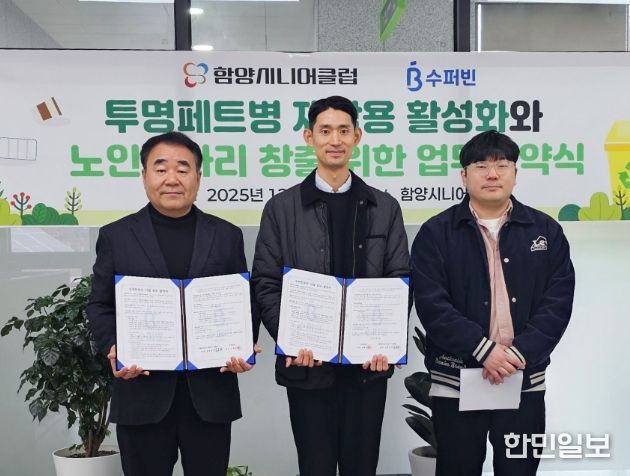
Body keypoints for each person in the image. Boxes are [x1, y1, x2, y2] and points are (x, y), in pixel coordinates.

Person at [251, 95, 409, 476]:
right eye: (325, 131)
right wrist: (290, 337)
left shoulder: (384, 208)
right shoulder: (281, 209)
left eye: (343, 130)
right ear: (310, 138)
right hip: (307, 367)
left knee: (362, 466)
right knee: (315, 466)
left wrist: (382, 342)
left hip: (366, 369)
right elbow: (266, 283)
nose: (334, 140)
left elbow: (399, 281)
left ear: (357, 137)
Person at [86, 131, 258, 476]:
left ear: (198, 177)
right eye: (161, 168)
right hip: (141, 393)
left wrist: (243, 345)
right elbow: (99, 305)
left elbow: (243, 302)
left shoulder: (226, 235)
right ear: (144, 176)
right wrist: (115, 347)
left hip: (209, 394)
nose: (172, 179)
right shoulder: (116, 236)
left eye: (183, 169)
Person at [411, 130, 575, 475]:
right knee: (458, 468)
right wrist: (484, 350)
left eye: (502, 165)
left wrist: (517, 355)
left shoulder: (545, 231)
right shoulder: (436, 233)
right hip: (456, 380)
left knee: (519, 469)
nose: (492, 174)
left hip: (523, 379)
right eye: (481, 166)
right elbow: (431, 304)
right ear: (463, 175)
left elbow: (557, 302)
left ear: (515, 173)